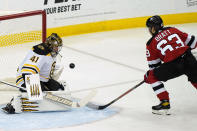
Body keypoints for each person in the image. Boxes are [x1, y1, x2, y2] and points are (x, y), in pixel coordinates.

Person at [144, 15, 197, 115]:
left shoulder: (150, 43)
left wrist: (147, 77)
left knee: (151, 75)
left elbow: (154, 67)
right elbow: (194, 43)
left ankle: (164, 103)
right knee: (195, 77)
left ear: (153, 28)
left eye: (150, 28)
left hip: (174, 66)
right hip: (189, 58)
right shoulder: (172, 29)